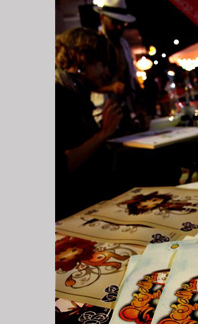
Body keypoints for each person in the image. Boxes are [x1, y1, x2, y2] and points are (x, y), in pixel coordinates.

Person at [55, 27, 124, 221]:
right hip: (74, 212)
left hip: (90, 204)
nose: (106, 72)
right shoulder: (59, 96)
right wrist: (103, 133)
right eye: (102, 63)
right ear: (82, 58)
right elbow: (60, 166)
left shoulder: (75, 92)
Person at [93, 0, 150, 135]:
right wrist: (111, 87)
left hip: (125, 113)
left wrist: (139, 107)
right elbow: (86, 84)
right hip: (102, 115)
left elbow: (131, 77)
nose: (119, 27)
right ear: (102, 17)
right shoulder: (94, 43)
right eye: (114, 22)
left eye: (122, 23)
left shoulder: (123, 44)